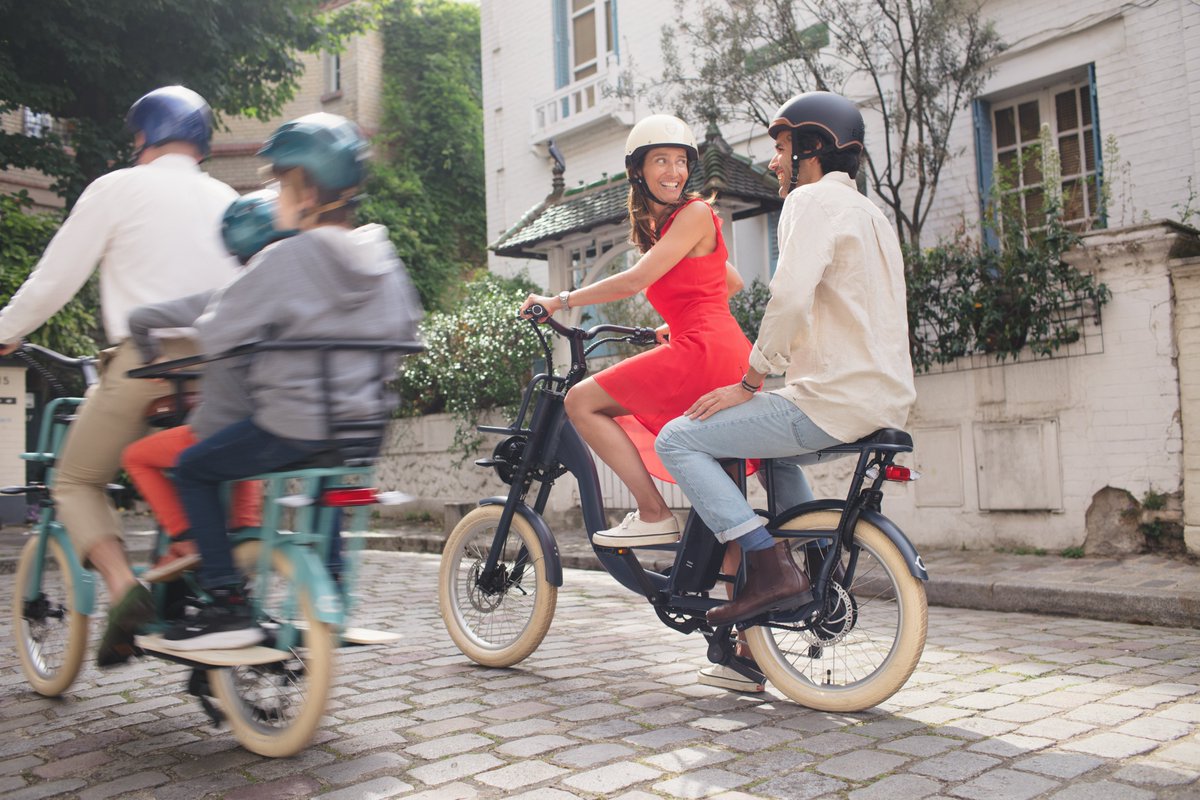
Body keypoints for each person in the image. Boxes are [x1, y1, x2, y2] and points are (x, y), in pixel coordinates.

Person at [156, 112, 422, 651]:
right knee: (327, 484)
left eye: (280, 183)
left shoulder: (286, 256)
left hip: (292, 427)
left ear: (305, 191)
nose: (275, 194)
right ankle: (332, 589)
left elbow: (218, 330)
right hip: (363, 428)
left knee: (193, 469)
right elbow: (405, 328)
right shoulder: (384, 258)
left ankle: (226, 602)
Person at [655, 91, 916, 633]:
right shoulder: (873, 215)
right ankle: (820, 569)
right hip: (883, 401)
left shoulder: (810, 201)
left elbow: (790, 299)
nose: (774, 161)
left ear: (811, 149)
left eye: (781, 148)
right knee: (775, 460)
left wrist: (749, 382)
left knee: (677, 439)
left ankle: (768, 566)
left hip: (830, 402)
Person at [0, 86, 239, 667]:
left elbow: (54, 281)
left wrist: (6, 329)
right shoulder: (229, 198)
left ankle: (123, 587)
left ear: (145, 136)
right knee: (190, 467)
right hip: (222, 371)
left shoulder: (117, 188)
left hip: (147, 364)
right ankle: (191, 566)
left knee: (76, 481)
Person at [518, 114, 749, 548]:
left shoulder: (695, 212)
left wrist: (559, 300)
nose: (674, 171)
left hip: (701, 350)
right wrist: (677, 320)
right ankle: (735, 582)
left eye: (681, 161)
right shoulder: (675, 227)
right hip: (722, 348)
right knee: (721, 489)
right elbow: (729, 281)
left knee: (581, 400)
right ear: (638, 170)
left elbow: (635, 280)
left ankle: (653, 513)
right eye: (661, 160)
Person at [121, 189, 296, 584]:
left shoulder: (224, 297)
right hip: (279, 426)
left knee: (137, 456)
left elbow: (140, 319)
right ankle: (245, 529)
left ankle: (187, 540)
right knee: (246, 443)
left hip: (219, 429)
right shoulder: (299, 301)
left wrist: (151, 356)